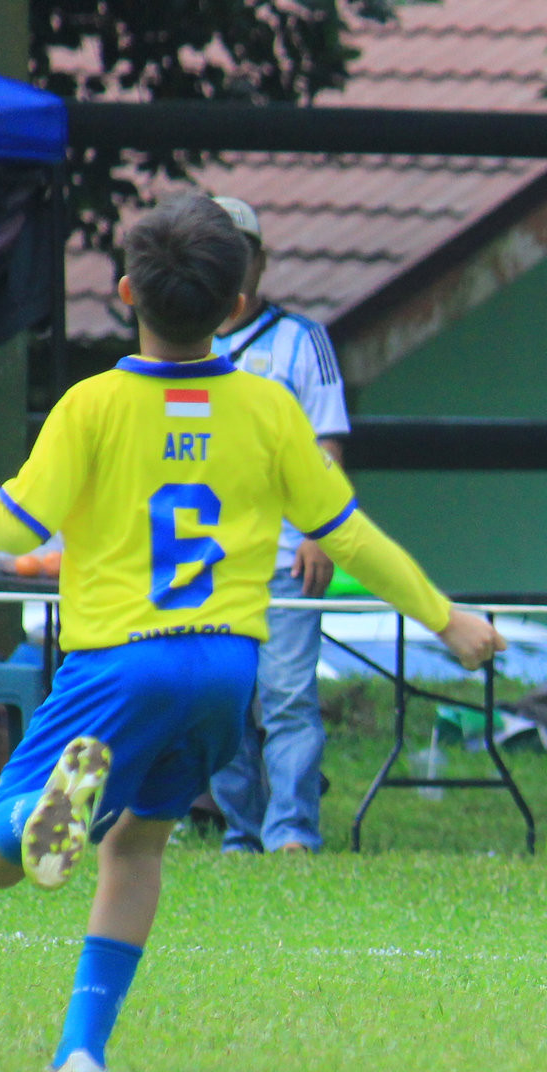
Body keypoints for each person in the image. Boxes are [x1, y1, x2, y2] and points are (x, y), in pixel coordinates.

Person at [0, 194, 502, 1072]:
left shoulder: (94, 405)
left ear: (122, 294)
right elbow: (346, 536)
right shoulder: (268, 409)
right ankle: (81, 1049)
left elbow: (7, 521)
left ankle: (24, 816)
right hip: (228, 667)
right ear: (234, 305)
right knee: (137, 846)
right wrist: (447, 617)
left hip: (120, 661)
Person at [205, 195, 350, 853]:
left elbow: (328, 441)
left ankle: (291, 831)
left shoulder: (299, 339)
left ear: (261, 260)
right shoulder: (181, 339)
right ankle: (241, 829)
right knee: (222, 702)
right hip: (203, 557)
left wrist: (320, 531)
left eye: (241, 251)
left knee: (288, 696)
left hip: (287, 552)